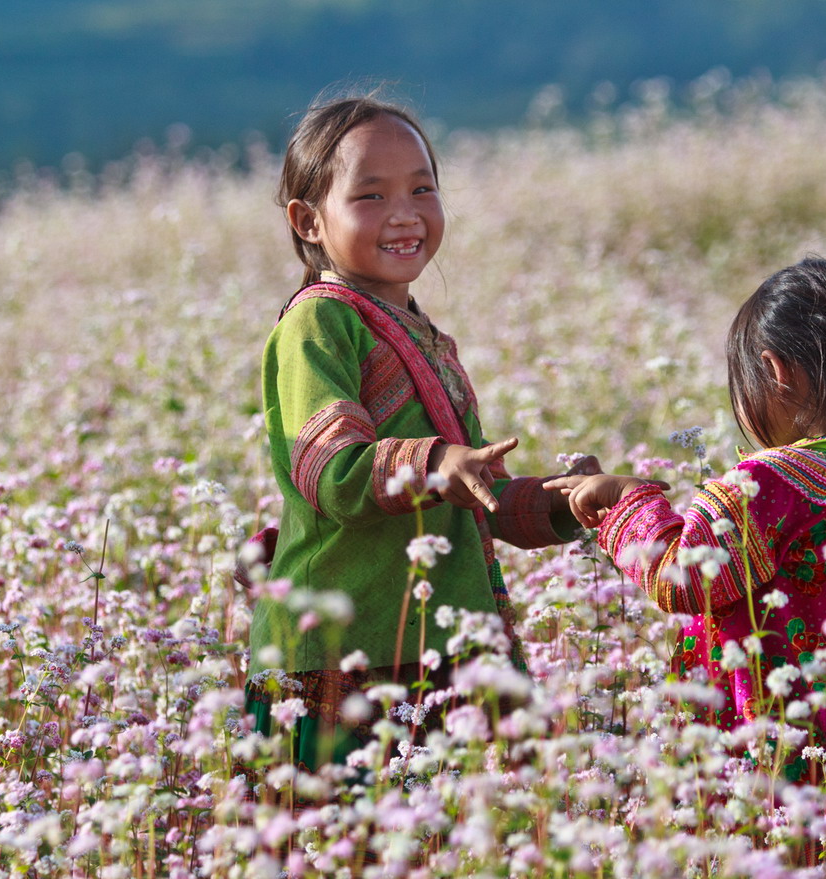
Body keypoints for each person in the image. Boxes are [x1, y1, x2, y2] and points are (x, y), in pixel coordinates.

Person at [246, 94, 583, 769]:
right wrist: (437, 463)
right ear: (308, 221)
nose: (404, 213)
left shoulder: (424, 334)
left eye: (422, 188)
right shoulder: (317, 324)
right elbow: (334, 472)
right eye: (371, 196)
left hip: (440, 653)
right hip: (343, 664)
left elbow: (477, 491)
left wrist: (567, 500)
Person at [547, 256, 826, 782]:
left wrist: (627, 498)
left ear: (776, 372)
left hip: (746, 764)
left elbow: (682, 577)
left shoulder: (771, 482)